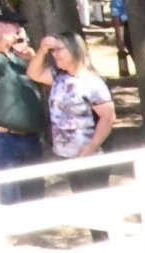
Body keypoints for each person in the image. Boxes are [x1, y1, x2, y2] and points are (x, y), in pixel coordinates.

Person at [25, 30, 113, 214]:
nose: (54, 54)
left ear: (74, 50)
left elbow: (108, 117)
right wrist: (41, 50)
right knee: (83, 204)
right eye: (53, 51)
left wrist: (92, 146)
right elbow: (33, 73)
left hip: (90, 156)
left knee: (97, 206)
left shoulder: (92, 82)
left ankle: (105, 239)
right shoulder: (59, 76)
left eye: (59, 50)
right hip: (68, 156)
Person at [0, 3, 47, 204]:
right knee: (6, 198)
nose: (19, 29)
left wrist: (33, 57)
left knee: (34, 196)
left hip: (31, 137)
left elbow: (42, 78)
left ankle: (28, 236)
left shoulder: (21, 51)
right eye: (15, 25)